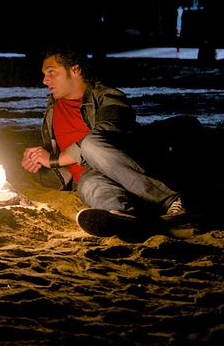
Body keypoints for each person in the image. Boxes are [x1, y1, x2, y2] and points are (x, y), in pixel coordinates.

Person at [19, 47, 186, 222]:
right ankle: (122, 216)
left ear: (75, 70)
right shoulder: (53, 107)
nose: (45, 80)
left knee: (91, 144)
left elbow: (107, 128)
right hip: (87, 176)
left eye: (51, 73)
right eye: (44, 74)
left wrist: (54, 159)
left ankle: (170, 200)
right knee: (91, 186)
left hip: (120, 167)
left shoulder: (108, 96)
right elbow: (52, 151)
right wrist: (36, 157)